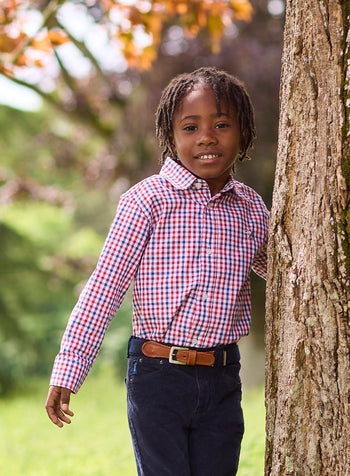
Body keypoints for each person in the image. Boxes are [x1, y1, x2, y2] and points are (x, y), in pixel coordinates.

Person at [45, 66, 269, 476]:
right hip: (157, 377)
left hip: (223, 379)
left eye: (222, 124)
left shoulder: (251, 207)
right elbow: (105, 289)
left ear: (245, 133)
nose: (207, 137)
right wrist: (68, 368)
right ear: (170, 137)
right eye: (190, 127)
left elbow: (290, 273)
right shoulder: (147, 201)